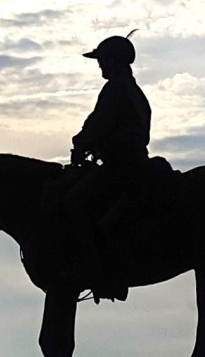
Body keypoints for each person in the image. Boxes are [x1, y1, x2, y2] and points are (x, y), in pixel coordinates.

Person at [62, 34, 152, 300]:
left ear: (115, 61)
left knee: (73, 201)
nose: (100, 65)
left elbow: (98, 123)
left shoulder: (116, 89)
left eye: (103, 60)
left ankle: (96, 270)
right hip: (129, 161)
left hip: (121, 165)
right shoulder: (131, 89)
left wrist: (80, 143)